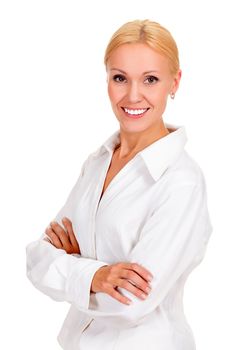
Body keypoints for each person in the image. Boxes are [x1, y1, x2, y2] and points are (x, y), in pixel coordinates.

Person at [26, 19, 213, 350]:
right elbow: (37, 257)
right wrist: (96, 276)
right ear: (107, 80)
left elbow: (131, 303)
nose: (133, 95)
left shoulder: (181, 182)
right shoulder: (98, 162)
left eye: (150, 79)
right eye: (120, 78)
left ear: (175, 82)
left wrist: (75, 268)